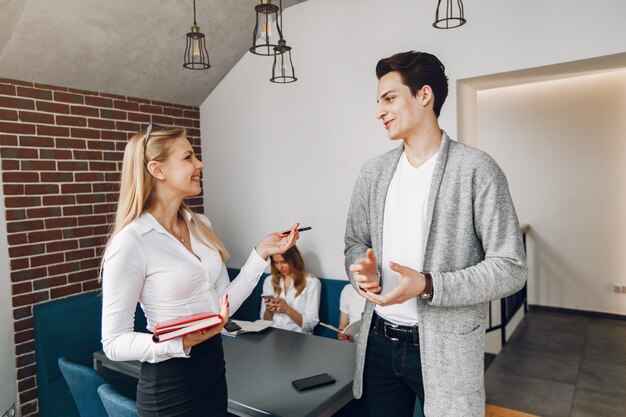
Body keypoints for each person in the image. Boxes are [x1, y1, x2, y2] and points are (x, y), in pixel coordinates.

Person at [344, 51, 527, 417]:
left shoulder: (477, 170)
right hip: (377, 342)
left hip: (448, 351)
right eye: (378, 101)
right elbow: (354, 243)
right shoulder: (372, 173)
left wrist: (429, 284)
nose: (379, 111)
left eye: (389, 98)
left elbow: (511, 266)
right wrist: (359, 270)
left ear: (424, 96)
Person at [101, 124, 300, 417]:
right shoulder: (131, 242)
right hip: (169, 388)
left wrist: (260, 254)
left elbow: (223, 305)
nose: (200, 164)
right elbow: (114, 343)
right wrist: (177, 343)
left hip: (213, 371)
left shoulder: (201, 226)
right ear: (157, 170)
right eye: (188, 157)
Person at [260, 245, 321, 334]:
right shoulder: (269, 281)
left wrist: (287, 309)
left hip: (298, 337)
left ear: (294, 260)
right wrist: (268, 310)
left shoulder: (312, 283)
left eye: (283, 262)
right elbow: (264, 321)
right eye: (276, 263)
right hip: (272, 334)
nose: (279, 267)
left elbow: (310, 324)